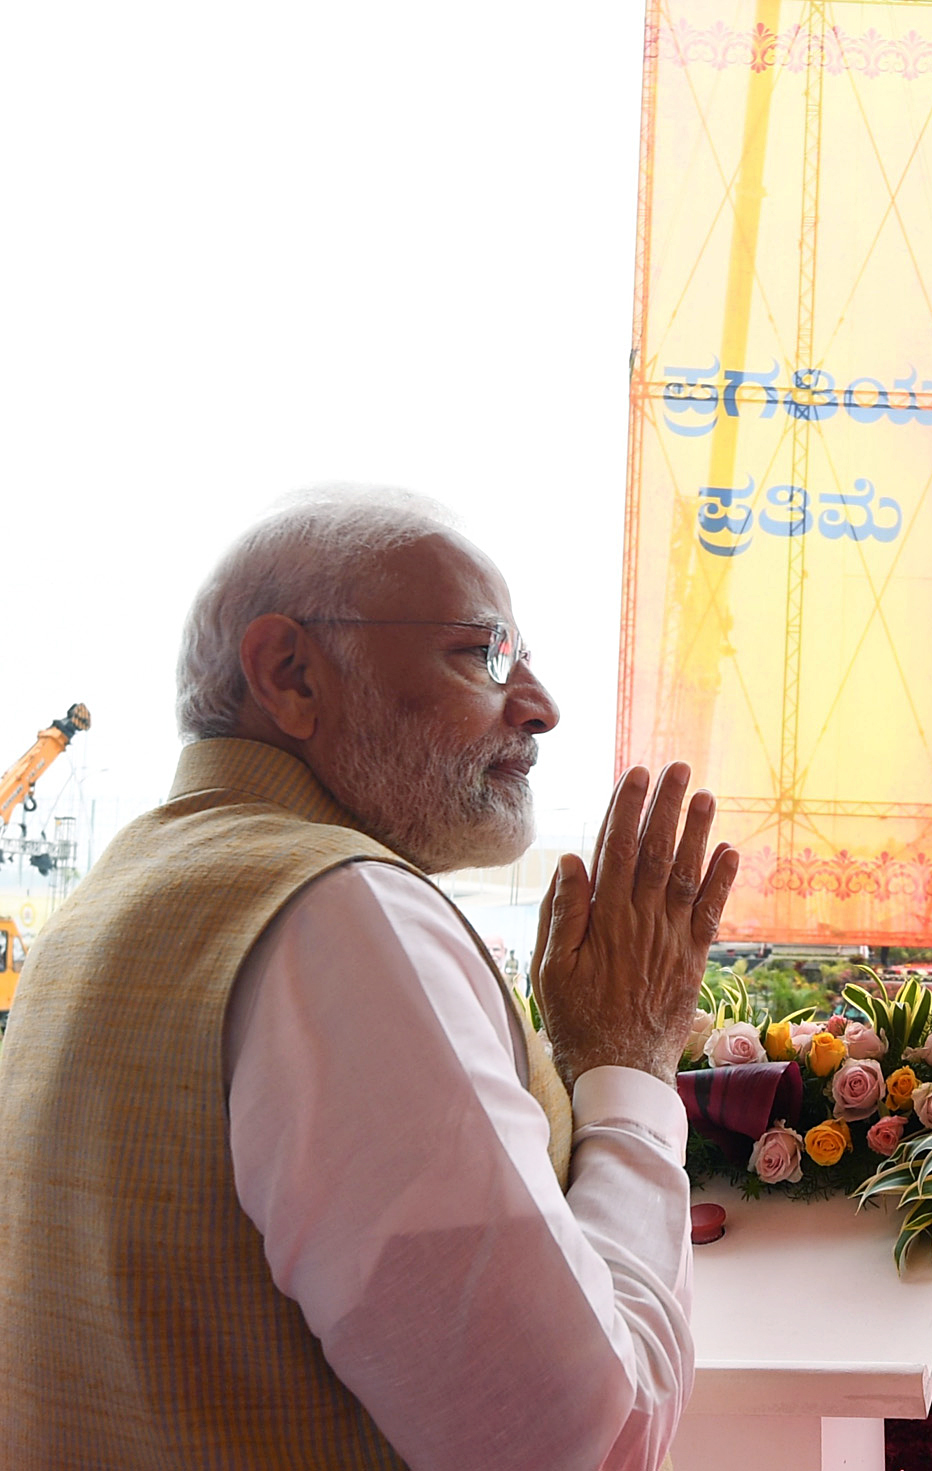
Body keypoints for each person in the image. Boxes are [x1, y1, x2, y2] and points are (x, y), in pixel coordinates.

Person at [0, 491, 739, 1470]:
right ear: (291, 673)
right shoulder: (338, 915)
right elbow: (584, 1443)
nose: (542, 706)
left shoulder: (111, 896)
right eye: (484, 654)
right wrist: (629, 1063)